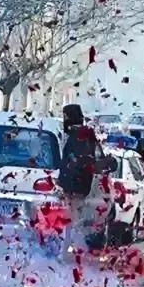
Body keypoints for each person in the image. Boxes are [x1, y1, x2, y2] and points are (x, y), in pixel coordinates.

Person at [59, 103, 101, 249]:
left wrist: (67, 182)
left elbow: (76, 161)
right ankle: (73, 246)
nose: (64, 120)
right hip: (77, 185)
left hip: (75, 185)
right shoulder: (83, 135)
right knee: (72, 217)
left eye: (65, 117)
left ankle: (70, 248)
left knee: (72, 219)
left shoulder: (79, 137)